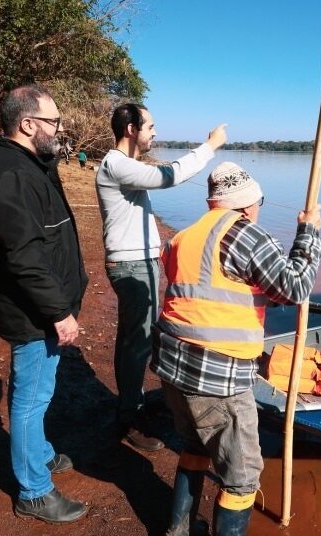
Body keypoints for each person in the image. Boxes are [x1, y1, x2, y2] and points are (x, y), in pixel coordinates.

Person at [150, 162, 321, 535]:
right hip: (217, 376)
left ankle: (177, 531)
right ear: (248, 204)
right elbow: (294, 289)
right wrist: (308, 233)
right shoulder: (247, 235)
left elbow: (221, 289)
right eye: (258, 201)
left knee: (196, 446)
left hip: (172, 367)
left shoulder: (186, 236)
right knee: (242, 478)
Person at [0, 84, 89, 524]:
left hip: (38, 306)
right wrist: (59, 311)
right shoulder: (11, 173)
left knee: (36, 389)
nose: (59, 128)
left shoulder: (27, 164)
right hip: (32, 312)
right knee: (30, 399)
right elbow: (24, 255)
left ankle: (38, 454)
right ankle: (34, 492)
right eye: (53, 121)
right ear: (27, 124)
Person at [96, 103, 227, 451]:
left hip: (139, 262)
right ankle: (129, 418)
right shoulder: (117, 165)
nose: (155, 132)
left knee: (138, 340)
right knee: (136, 343)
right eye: (151, 126)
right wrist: (210, 147)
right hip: (132, 266)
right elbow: (169, 176)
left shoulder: (126, 166)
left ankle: (133, 404)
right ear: (131, 130)